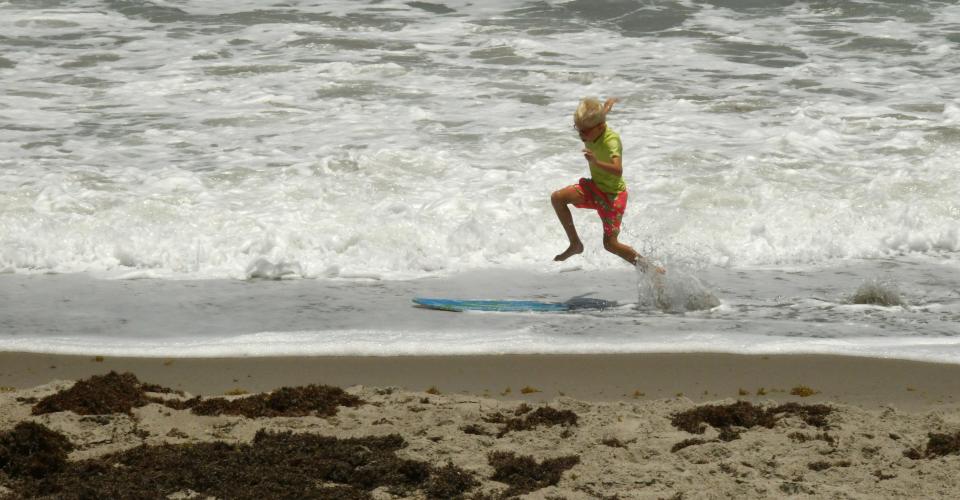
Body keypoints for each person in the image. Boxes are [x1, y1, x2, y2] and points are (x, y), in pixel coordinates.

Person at [551, 97, 661, 273]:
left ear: (600, 127)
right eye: (577, 129)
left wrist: (595, 161)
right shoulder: (593, 126)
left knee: (610, 244)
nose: (581, 135)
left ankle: (648, 267)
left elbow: (618, 170)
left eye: (584, 131)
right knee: (558, 198)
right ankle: (575, 244)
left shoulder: (611, 141)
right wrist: (608, 105)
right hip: (595, 187)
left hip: (613, 196)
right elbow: (601, 115)